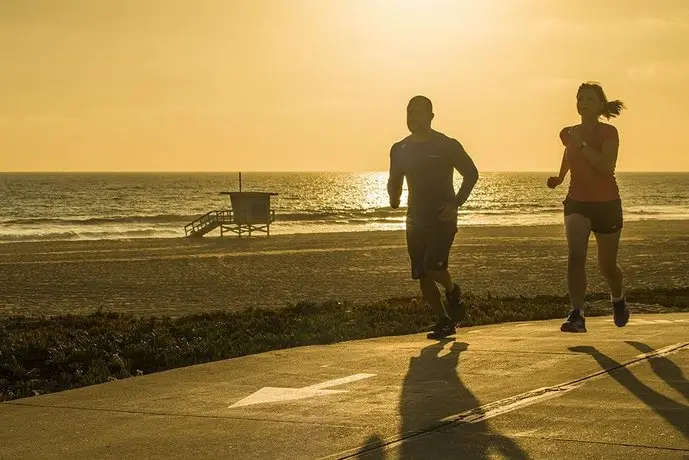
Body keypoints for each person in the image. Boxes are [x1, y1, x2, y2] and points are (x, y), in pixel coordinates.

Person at [387, 95, 479, 339]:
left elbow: (471, 173)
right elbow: (394, 178)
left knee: (433, 266)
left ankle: (451, 289)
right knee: (422, 274)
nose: (413, 118)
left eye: (419, 113)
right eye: (410, 113)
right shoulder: (400, 149)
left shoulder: (446, 145)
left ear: (430, 116)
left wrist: (456, 203)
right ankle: (444, 320)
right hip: (414, 220)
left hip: (442, 218)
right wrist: (393, 198)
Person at [547, 82, 629, 333]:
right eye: (579, 98)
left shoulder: (609, 132)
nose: (582, 102)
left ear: (600, 104)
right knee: (576, 256)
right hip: (577, 202)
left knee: (607, 267)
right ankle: (577, 314)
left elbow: (605, 166)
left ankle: (618, 299)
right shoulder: (569, 133)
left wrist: (582, 144)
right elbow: (567, 154)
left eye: (588, 99)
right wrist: (561, 178)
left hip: (607, 204)